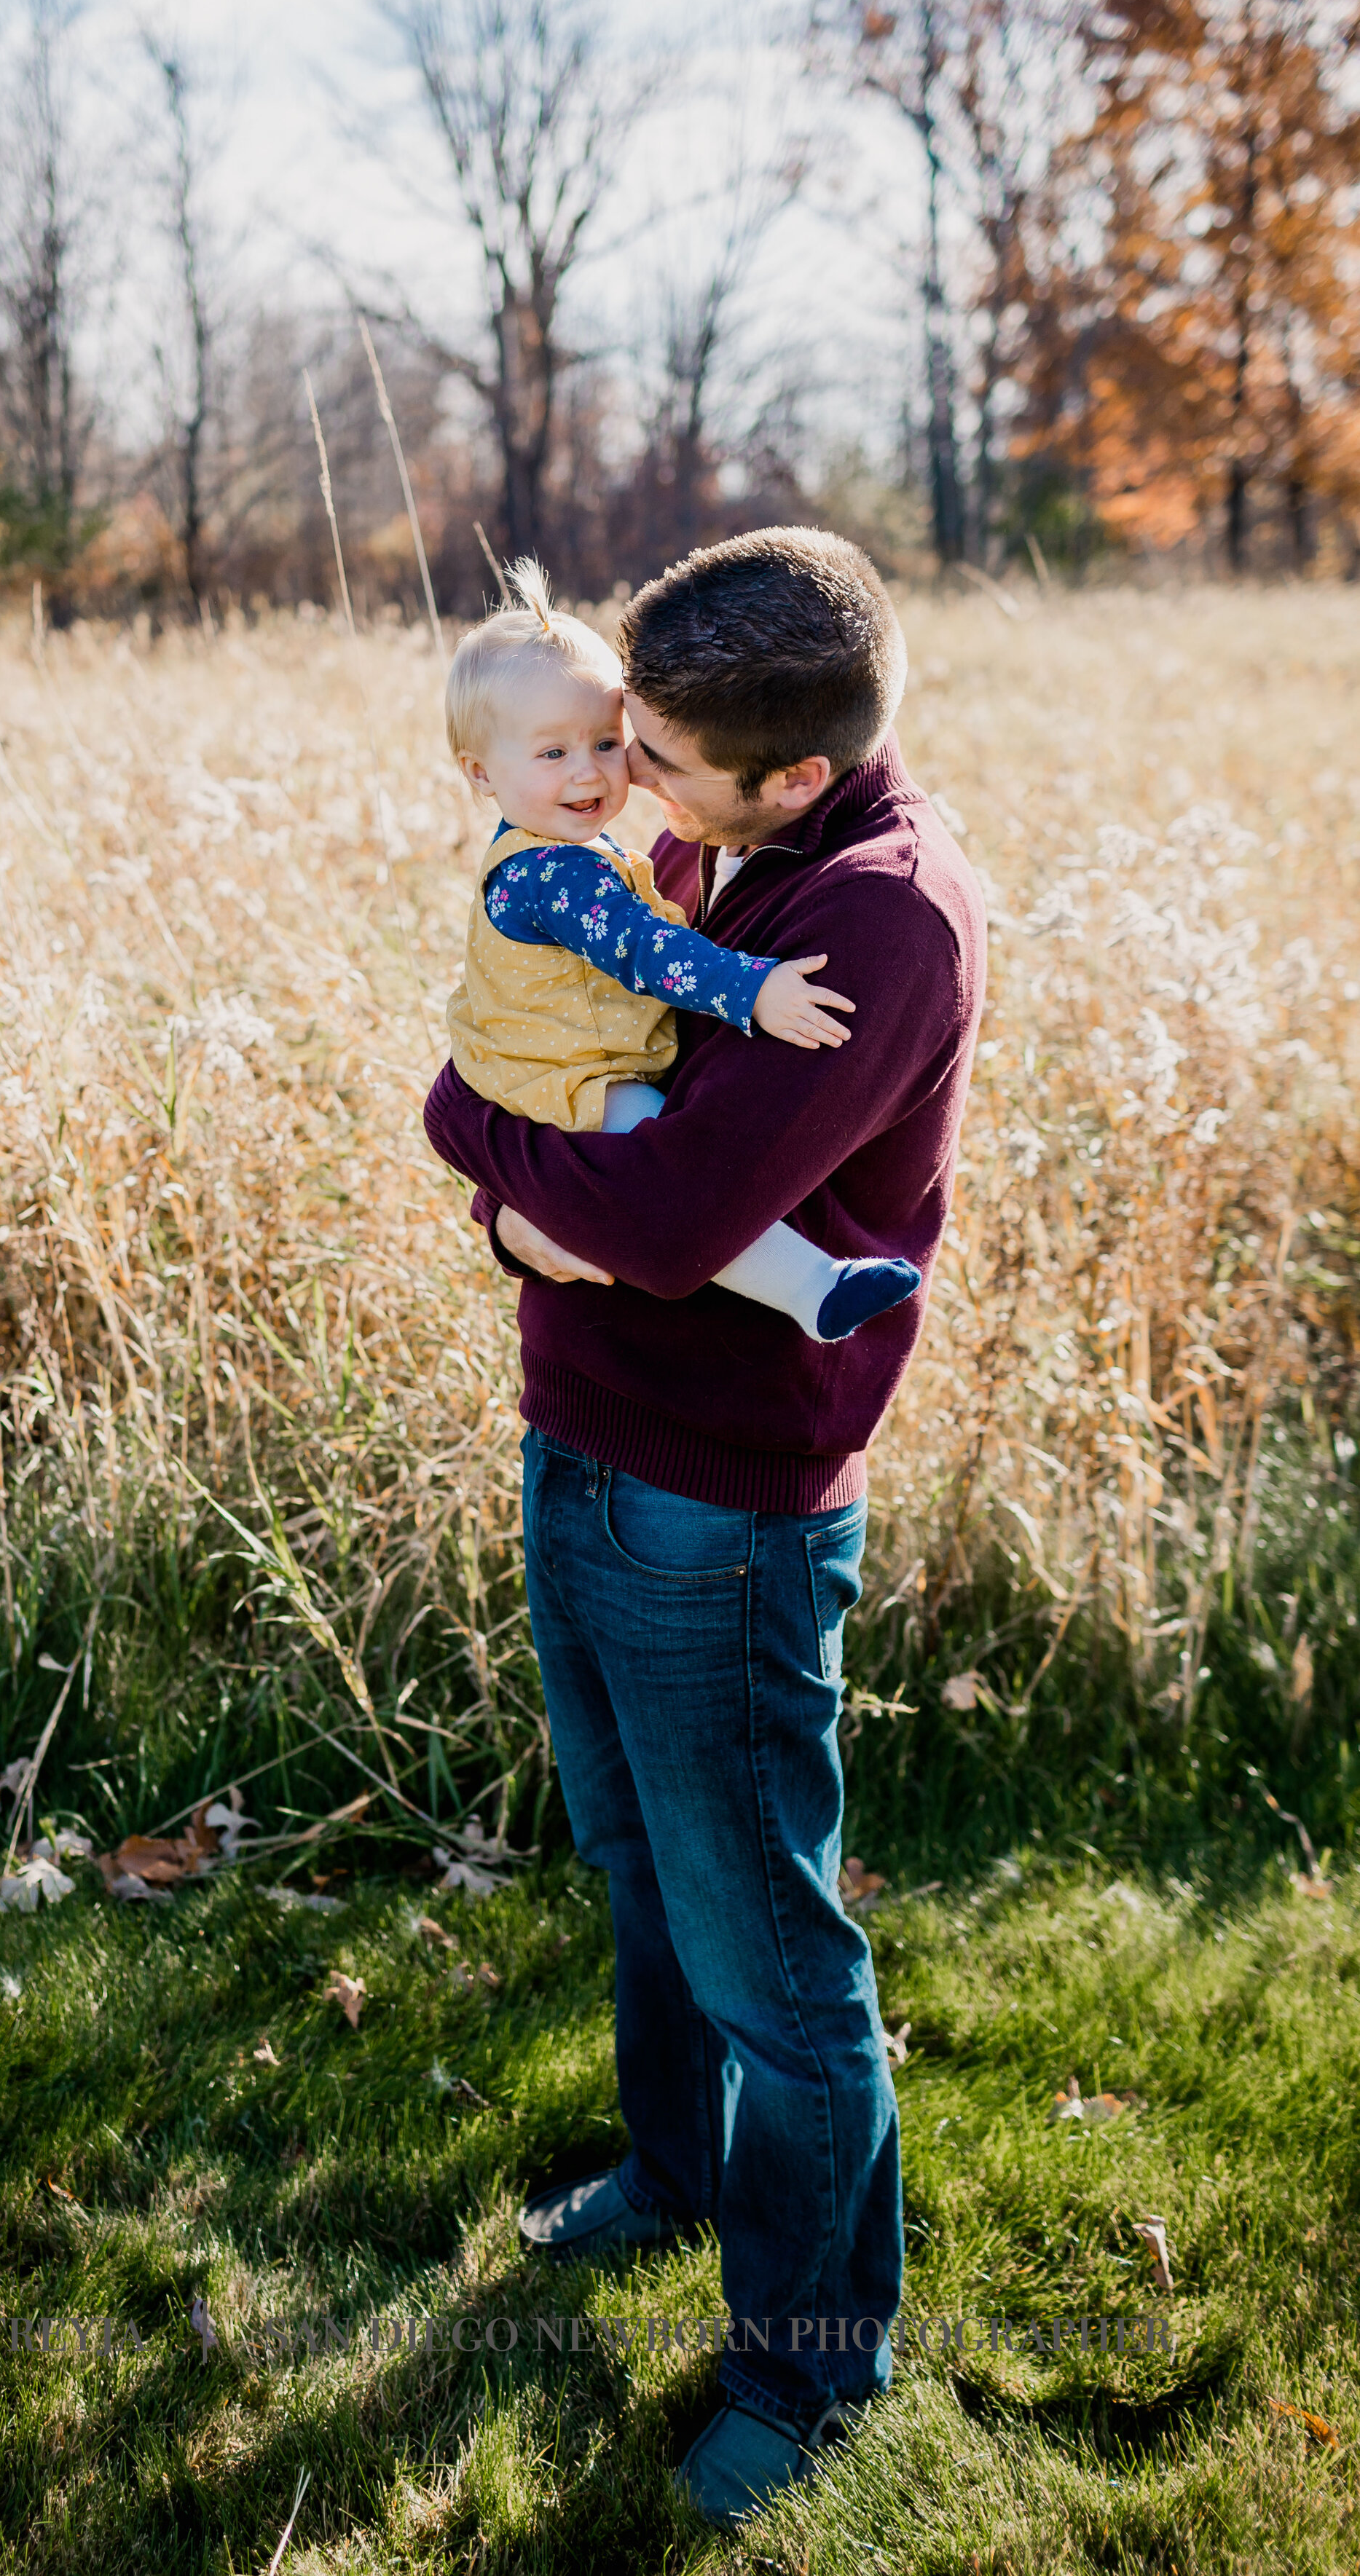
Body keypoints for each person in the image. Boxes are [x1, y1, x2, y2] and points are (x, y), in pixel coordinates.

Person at [422, 527, 987, 2529]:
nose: (618, 781)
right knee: (637, 1861)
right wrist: (495, 1158)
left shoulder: (881, 924)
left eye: (654, 752)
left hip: (715, 1495)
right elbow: (469, 1074)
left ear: (790, 776)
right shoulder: (714, 843)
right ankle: (672, 2172)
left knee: (771, 1947)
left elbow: (654, 1224)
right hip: (582, 1428)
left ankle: (811, 2360)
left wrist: (499, 1176)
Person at [443, 556, 921, 1344]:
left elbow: (673, 1218)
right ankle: (814, 1287)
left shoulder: (884, 914)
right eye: (552, 753)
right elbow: (646, 951)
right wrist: (752, 990)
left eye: (607, 739)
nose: (605, 771)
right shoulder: (555, 872)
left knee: (666, 1174)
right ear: (480, 775)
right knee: (644, 1127)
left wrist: (485, 1151)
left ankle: (819, 1287)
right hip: (578, 1078)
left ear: (794, 779)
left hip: (710, 1444)